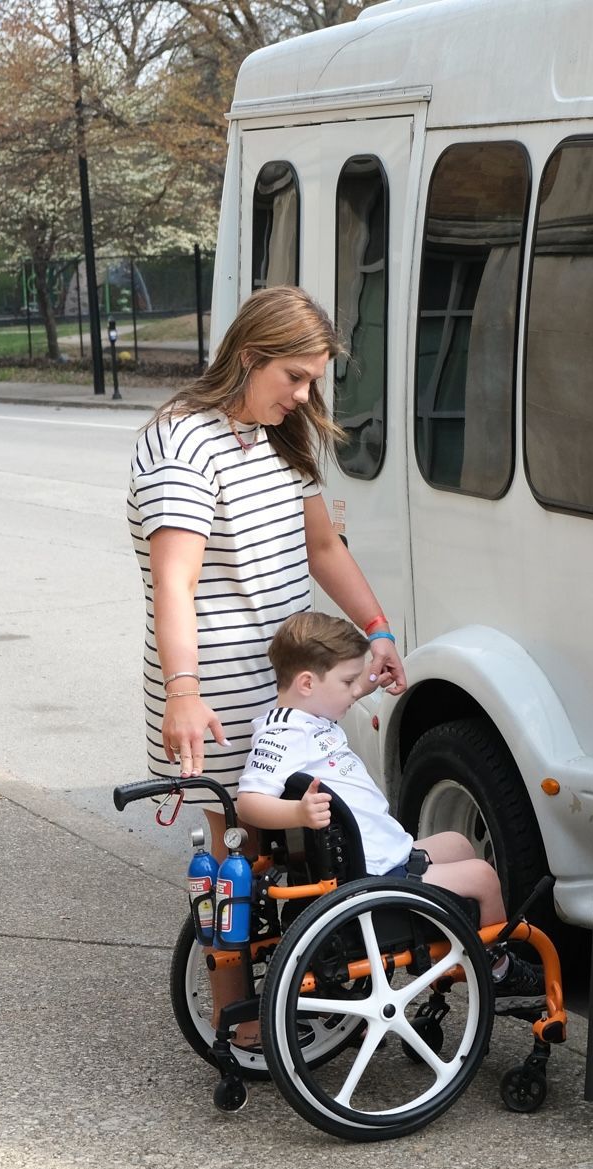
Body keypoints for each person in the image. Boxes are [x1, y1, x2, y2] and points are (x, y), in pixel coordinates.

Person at [127, 285, 406, 857]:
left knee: (298, 861)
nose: (305, 396)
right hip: (216, 695)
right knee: (243, 860)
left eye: (314, 382)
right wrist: (183, 692)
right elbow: (173, 582)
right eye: (295, 377)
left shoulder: (276, 436)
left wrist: (378, 630)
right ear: (250, 357)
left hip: (286, 687)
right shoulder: (181, 442)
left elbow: (324, 548)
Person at [236, 611, 546, 1014]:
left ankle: (455, 941)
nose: (354, 693)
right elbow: (249, 802)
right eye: (348, 683)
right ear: (308, 683)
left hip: (383, 854)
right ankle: (498, 973)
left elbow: (338, 688)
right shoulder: (282, 736)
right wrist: (298, 812)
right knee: (483, 877)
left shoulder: (310, 714)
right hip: (374, 872)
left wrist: (371, 678)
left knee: (455, 842)